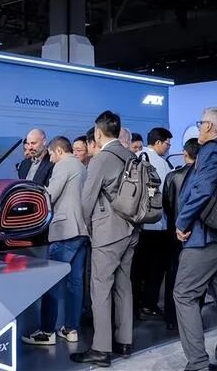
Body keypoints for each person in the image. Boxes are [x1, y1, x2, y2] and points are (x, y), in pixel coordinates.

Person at [174, 107, 217, 371]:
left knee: (184, 294)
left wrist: (182, 221)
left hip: (206, 235)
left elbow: (203, 190)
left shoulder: (211, 150)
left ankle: (198, 364)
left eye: (201, 122)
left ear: (208, 126)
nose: (199, 127)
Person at [71, 111, 138, 368]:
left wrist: (89, 229)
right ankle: (124, 341)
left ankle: (101, 349)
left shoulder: (101, 159)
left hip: (108, 233)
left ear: (98, 133)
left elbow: (86, 201)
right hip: (132, 230)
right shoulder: (130, 155)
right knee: (123, 285)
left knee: (100, 289)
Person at [22, 137, 89, 345]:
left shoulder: (63, 165)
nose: (50, 159)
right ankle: (71, 329)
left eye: (51, 154)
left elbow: (49, 195)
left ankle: (46, 332)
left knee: (51, 282)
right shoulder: (82, 167)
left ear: (59, 150)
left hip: (64, 231)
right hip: (82, 230)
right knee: (75, 284)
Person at [133, 127, 173, 320]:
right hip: (157, 224)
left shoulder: (133, 158)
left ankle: (135, 305)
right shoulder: (161, 164)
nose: (168, 147)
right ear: (158, 142)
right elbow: (167, 194)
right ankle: (149, 304)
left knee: (137, 267)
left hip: (136, 224)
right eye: (167, 144)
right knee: (155, 269)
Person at [162, 138, 200, 330]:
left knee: (173, 273)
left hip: (173, 232)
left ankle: (171, 317)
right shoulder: (204, 177)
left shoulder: (172, 176)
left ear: (185, 153)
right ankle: (193, 319)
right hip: (197, 232)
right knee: (197, 278)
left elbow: (166, 205)